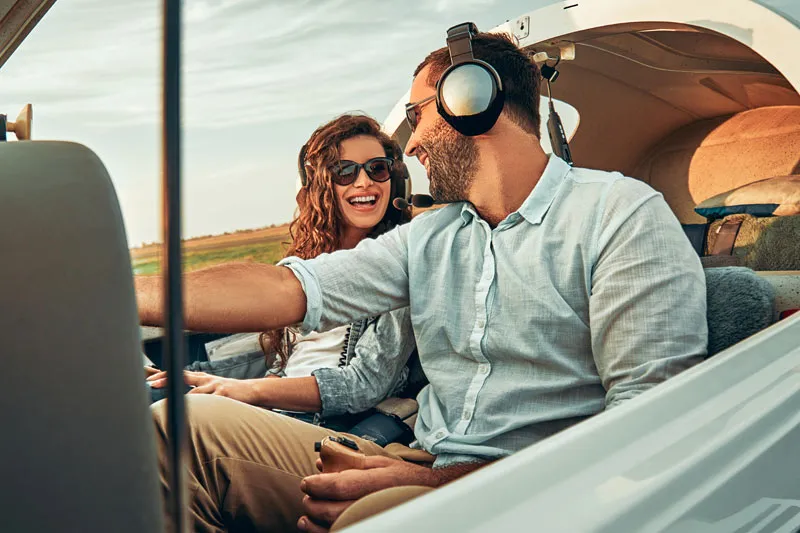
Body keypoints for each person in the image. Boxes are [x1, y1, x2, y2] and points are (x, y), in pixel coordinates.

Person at [139, 28, 707, 533]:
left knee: (368, 521)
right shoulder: (430, 236)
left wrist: (437, 485)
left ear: (474, 102)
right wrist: (112, 293)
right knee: (174, 428)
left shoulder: (619, 214)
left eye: (419, 115)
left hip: (538, 492)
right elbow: (293, 288)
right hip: (424, 462)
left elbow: (644, 428)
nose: (410, 144)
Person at [143, 113, 418, 431]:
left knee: (165, 417)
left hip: (317, 423)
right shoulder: (307, 265)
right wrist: (195, 376)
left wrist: (247, 392)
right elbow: (282, 366)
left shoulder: (398, 267)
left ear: (393, 179)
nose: (364, 182)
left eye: (377, 168)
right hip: (276, 413)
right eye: (344, 171)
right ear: (319, 187)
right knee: (143, 392)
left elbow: (364, 384)